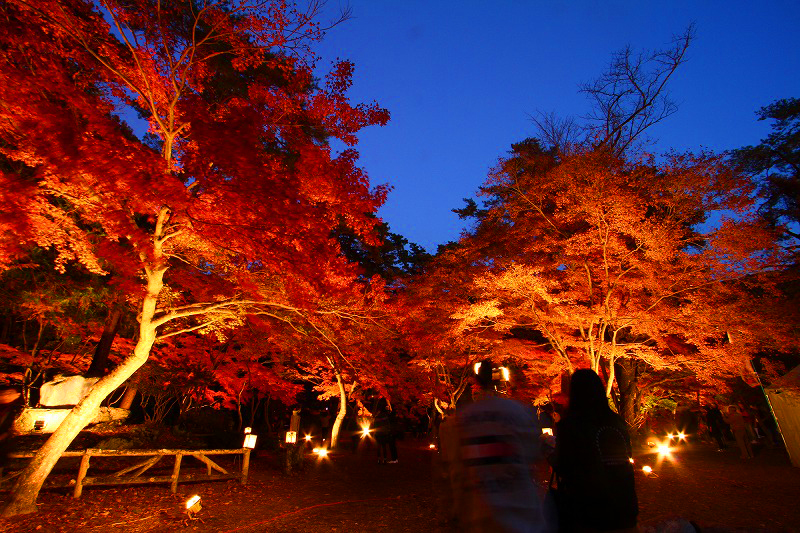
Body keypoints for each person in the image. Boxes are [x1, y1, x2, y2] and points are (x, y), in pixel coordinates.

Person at [448, 359, 544, 532]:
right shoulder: (517, 411)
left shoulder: (464, 418)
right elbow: (533, 455)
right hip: (520, 506)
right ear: (497, 378)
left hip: (481, 508)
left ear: (476, 380)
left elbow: (456, 466)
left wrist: (456, 506)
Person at [554, 369, 638, 532]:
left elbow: (565, 466)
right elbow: (628, 457)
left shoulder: (571, 424)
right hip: (625, 506)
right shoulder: (616, 422)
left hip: (589, 511)